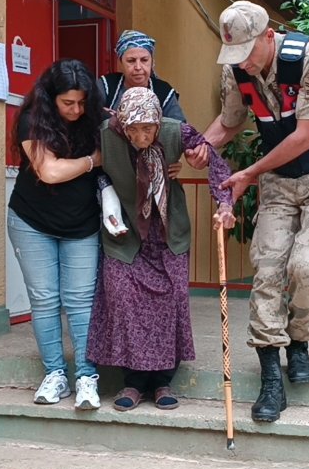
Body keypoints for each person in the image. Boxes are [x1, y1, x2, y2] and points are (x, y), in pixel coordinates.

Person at [188, 0, 309, 423]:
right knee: (266, 268)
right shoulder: (236, 70)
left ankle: (299, 343)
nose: (241, 62)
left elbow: (304, 137)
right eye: (234, 54)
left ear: (268, 37)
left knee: (308, 264)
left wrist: (248, 173)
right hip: (279, 180)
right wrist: (204, 147)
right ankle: (270, 377)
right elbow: (229, 122)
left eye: (247, 51)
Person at [87, 87, 235, 411]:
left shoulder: (175, 131)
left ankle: (163, 381)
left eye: (148, 128)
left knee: (171, 302)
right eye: (134, 129)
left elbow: (215, 165)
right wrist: (104, 189)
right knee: (122, 299)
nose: (142, 135)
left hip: (168, 232)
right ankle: (133, 382)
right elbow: (90, 167)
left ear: (158, 123)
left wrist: (225, 205)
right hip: (124, 233)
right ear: (122, 125)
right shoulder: (104, 136)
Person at [7, 59, 105, 410]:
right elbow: (48, 171)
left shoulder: (96, 117)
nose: (77, 110)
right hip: (31, 221)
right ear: (52, 98)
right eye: (68, 103)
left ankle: (86, 377)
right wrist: (93, 160)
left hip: (83, 224)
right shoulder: (32, 118)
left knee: (81, 301)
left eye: (82, 102)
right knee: (45, 300)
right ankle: (55, 375)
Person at [97, 30, 187, 122]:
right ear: (120, 63)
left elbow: (180, 129)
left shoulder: (164, 91)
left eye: (144, 60)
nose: (138, 67)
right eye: (131, 61)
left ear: (152, 62)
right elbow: (87, 113)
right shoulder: (107, 85)